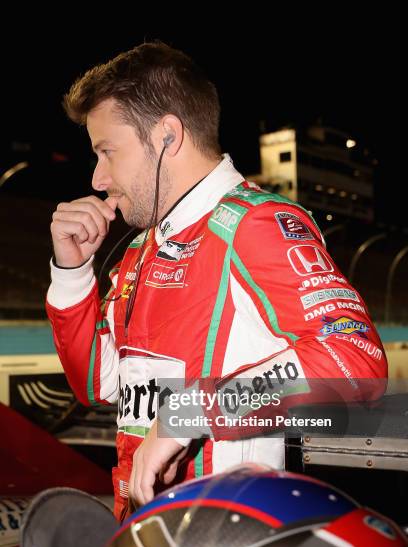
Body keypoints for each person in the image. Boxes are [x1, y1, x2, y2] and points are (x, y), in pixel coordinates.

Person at [46, 41, 387, 522]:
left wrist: (189, 412)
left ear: (166, 135)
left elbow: (354, 358)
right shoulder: (139, 250)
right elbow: (94, 385)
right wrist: (72, 274)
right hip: (146, 537)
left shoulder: (255, 224)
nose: (98, 177)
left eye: (107, 151)